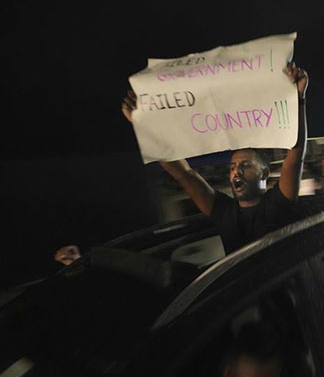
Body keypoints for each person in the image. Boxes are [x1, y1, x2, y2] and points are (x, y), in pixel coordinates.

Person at [57, 62, 308, 261]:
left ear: (264, 173)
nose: (235, 172)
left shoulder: (278, 204)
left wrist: (298, 99)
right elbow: (184, 174)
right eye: (232, 167)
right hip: (239, 302)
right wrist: (143, 124)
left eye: (245, 165)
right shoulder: (223, 210)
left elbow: (294, 157)